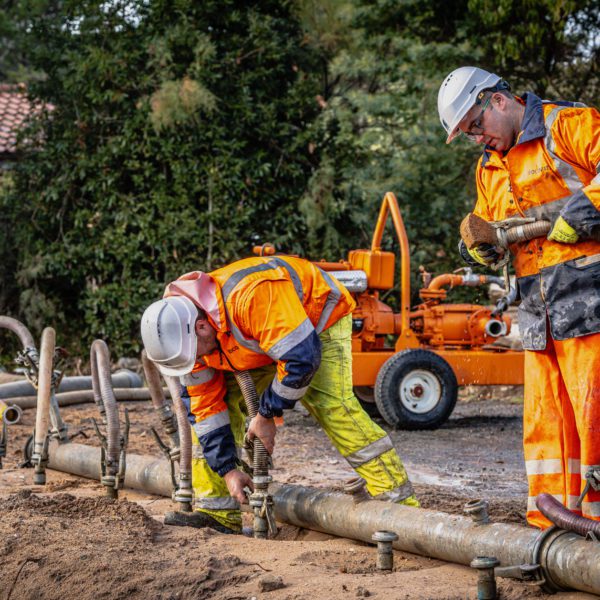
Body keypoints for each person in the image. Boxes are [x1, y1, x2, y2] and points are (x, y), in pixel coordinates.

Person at [141, 254, 418, 533]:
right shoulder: (189, 342)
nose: (197, 362)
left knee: (332, 406)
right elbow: (205, 412)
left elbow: (301, 359)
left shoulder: (252, 297)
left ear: (202, 327)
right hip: (258, 339)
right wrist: (227, 470)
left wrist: (266, 415)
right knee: (215, 410)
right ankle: (218, 512)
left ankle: (402, 510)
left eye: (195, 355)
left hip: (317, 320)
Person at [438, 66, 600, 529]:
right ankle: (551, 527)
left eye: (476, 126)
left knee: (594, 414)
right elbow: (491, 226)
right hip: (538, 310)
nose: (477, 139)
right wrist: (479, 246)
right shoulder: (490, 167)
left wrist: (585, 213)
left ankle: (595, 525)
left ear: (498, 101)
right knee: (545, 425)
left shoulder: (565, 126)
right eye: (469, 133)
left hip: (590, 301)